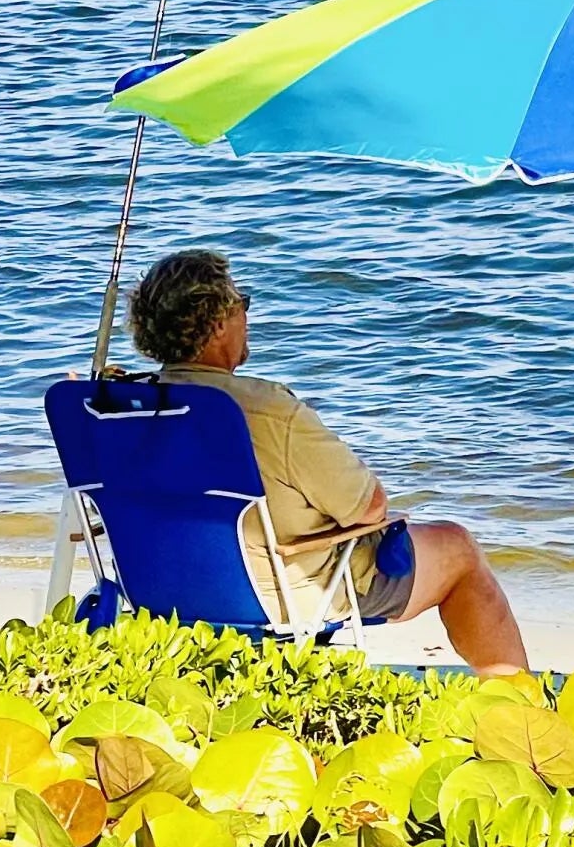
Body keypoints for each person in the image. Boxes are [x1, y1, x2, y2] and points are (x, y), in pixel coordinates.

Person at [126, 249, 530, 675]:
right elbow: (369, 507)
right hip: (278, 593)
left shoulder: (121, 411)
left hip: (162, 589)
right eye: (241, 303)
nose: (247, 316)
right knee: (458, 548)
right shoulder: (267, 411)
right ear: (218, 322)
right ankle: (515, 696)